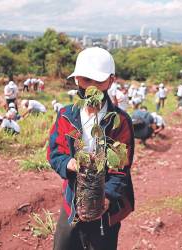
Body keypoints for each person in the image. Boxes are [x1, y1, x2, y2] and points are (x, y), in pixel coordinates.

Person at [47, 47, 135, 250]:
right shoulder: (66, 115)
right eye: (87, 80)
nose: (92, 87)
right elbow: (54, 152)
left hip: (106, 204)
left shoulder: (119, 121)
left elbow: (121, 167)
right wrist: (69, 162)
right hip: (73, 199)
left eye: (99, 81)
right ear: (77, 79)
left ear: (111, 81)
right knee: (64, 244)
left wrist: (106, 197)